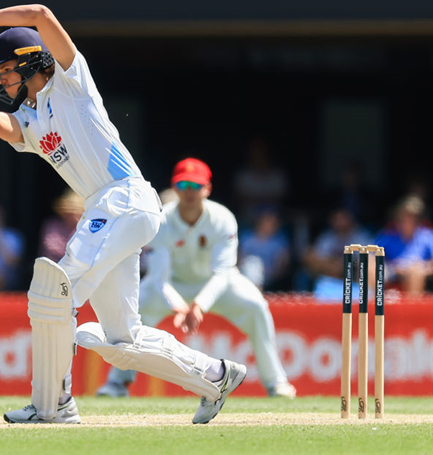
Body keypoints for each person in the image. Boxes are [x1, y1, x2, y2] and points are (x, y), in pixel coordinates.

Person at [0, 1, 246, 424]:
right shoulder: (29, 118)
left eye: (5, 70)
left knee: (54, 292)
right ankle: (215, 376)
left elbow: (40, 15)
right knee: (121, 341)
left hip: (124, 197)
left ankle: (53, 404)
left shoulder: (69, 83)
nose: (1, 81)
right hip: (112, 210)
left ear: (31, 62)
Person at [96, 158, 296, 399]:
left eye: (195, 185)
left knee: (256, 306)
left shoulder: (222, 218)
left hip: (218, 286)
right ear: (175, 187)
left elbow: (223, 272)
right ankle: (117, 383)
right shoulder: (160, 220)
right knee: (133, 310)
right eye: (183, 186)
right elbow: (159, 277)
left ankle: (276, 383)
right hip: (171, 287)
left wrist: (199, 305)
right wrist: (177, 305)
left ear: (207, 189)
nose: (189, 192)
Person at [302, 206, 374, 300]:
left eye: (343, 218)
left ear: (350, 219)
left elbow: (367, 259)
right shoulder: (327, 237)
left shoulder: (361, 236)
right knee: (309, 256)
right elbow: (316, 259)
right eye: (336, 219)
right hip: (328, 276)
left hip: (353, 274)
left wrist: (343, 265)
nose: (340, 222)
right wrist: (333, 264)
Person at [373, 195, 433, 295]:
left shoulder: (427, 236)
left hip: (418, 275)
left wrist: (419, 267)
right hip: (391, 272)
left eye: (413, 217)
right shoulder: (388, 235)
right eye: (405, 216)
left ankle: (412, 309)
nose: (409, 220)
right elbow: (371, 256)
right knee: (370, 267)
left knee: (415, 271)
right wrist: (391, 268)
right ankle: (370, 306)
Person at [238, 206, 292, 292]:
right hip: (246, 278)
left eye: (275, 221)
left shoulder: (280, 241)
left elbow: (282, 268)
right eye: (269, 220)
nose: (273, 224)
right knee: (252, 264)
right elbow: (238, 260)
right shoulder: (246, 238)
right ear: (259, 221)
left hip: (271, 281)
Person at [38, 188, 84, 262]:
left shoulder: (86, 229)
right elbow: (51, 249)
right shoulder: (52, 226)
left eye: (75, 211)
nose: (72, 215)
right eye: (69, 211)